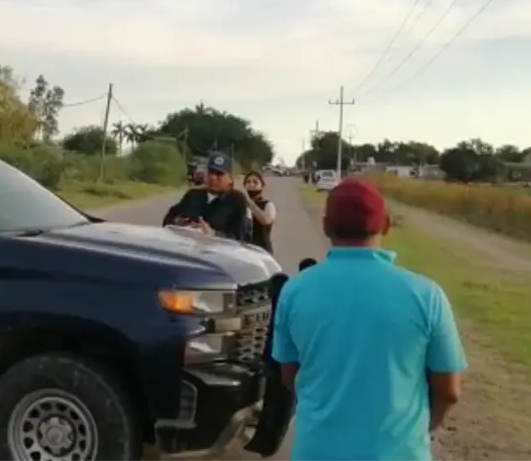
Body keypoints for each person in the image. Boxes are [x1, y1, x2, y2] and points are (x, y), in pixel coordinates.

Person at [271, 178, 466, 461]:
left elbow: (289, 376)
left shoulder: (295, 290)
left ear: (326, 226)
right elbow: (449, 391)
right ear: (386, 225)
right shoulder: (426, 295)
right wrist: (420, 430)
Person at [162, 153, 249, 241]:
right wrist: (180, 223)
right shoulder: (193, 194)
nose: (213, 177)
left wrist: (214, 234)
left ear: (230, 178)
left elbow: (240, 238)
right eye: (210, 172)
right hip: (187, 247)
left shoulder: (237, 200)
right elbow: (169, 220)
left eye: (219, 174)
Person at [240, 170, 276, 252]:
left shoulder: (268, 204)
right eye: (248, 182)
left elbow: (266, 220)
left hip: (262, 250)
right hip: (244, 250)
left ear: (262, 186)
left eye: (255, 182)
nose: (251, 184)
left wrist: (249, 203)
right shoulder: (240, 203)